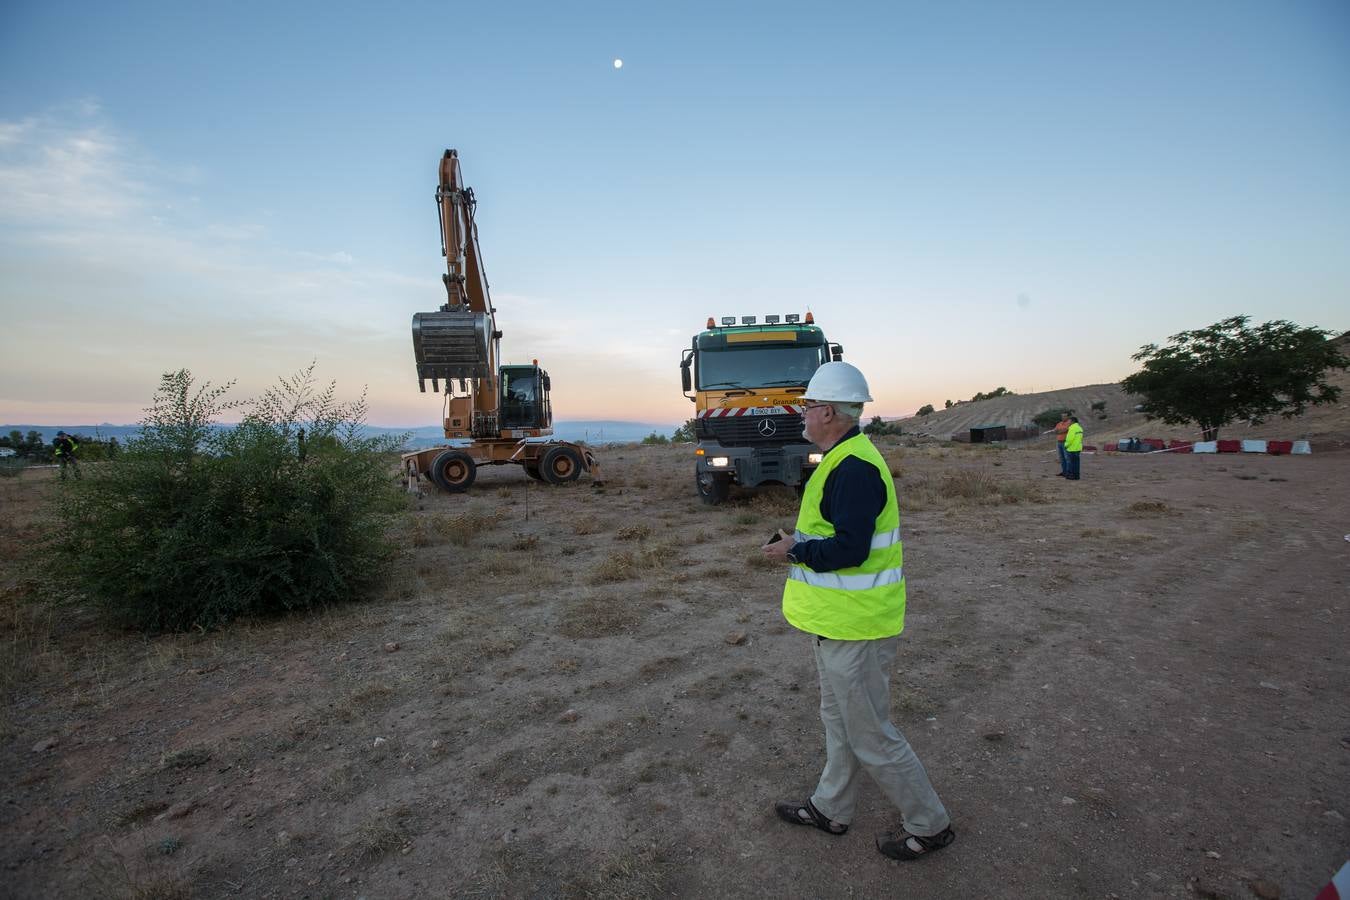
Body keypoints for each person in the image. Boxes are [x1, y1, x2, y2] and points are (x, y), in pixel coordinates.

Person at [762, 361, 955, 862]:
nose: (802, 414)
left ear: (827, 411)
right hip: (837, 624)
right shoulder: (840, 459)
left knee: (871, 735)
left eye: (807, 406)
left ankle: (930, 824)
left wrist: (794, 552)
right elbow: (835, 537)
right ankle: (831, 807)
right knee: (839, 722)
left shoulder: (854, 468)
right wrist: (798, 541)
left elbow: (850, 551)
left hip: (858, 628)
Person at [1064, 416, 1083, 480]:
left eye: (1069, 421)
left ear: (1072, 421)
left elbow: (1070, 439)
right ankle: (1077, 476)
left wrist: (1066, 445)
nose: (1068, 422)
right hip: (1078, 448)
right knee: (1077, 463)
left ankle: (1071, 475)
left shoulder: (1072, 428)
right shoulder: (1080, 428)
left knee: (1071, 463)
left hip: (1071, 448)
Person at [1054, 411, 1071, 476]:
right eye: (1062, 416)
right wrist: (1060, 431)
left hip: (1065, 442)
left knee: (1067, 457)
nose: (1063, 417)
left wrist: (1059, 431)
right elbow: (1055, 431)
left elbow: (1066, 430)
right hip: (1059, 442)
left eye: (1064, 416)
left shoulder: (1069, 423)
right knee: (1062, 458)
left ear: (1068, 417)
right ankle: (1064, 472)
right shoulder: (1059, 423)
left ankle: (1069, 472)